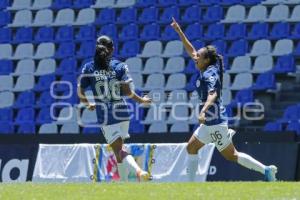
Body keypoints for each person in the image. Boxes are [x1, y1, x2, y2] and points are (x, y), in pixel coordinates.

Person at [171, 18, 278, 181]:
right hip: (209, 123)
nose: (195, 58)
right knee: (191, 148)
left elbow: (213, 94)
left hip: (214, 123)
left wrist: (203, 111)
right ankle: (190, 185)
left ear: (206, 60)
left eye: (199, 57)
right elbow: (191, 50)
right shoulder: (206, 67)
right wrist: (179, 32)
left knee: (231, 156)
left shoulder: (210, 74)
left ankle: (266, 171)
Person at [77, 35, 151, 182]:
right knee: (119, 152)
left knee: (119, 150)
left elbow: (80, 91)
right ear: (112, 49)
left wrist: (88, 104)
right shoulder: (120, 66)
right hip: (123, 113)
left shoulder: (89, 67)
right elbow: (128, 92)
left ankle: (139, 171)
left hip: (106, 117)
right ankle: (123, 183)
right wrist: (142, 100)